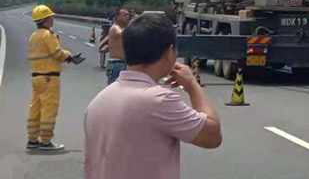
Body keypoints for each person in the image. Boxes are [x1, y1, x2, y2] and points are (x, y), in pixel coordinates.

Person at [84, 13, 222, 179]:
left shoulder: (99, 101)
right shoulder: (158, 100)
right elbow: (212, 136)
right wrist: (192, 86)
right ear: (169, 52)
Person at [27, 4, 81, 151]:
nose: (52, 19)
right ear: (45, 19)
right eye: (50, 17)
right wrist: (69, 56)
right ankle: (45, 141)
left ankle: (32, 139)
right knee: (49, 108)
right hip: (49, 78)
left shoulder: (34, 36)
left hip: (36, 77)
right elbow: (57, 53)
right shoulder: (47, 35)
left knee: (35, 108)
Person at [106, 8, 130, 84]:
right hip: (116, 63)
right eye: (125, 15)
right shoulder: (115, 28)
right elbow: (123, 34)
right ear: (118, 16)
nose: (128, 17)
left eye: (128, 15)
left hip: (123, 63)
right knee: (114, 87)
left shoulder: (123, 28)